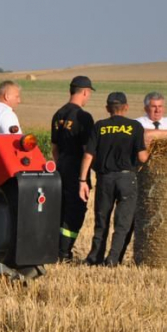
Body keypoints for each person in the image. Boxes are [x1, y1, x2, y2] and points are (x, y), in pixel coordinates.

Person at [78, 92, 148, 267]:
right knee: (122, 223)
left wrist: (82, 181)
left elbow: (88, 155)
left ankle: (95, 257)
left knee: (101, 220)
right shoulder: (135, 126)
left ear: (107, 108)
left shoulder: (100, 126)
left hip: (105, 179)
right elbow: (142, 157)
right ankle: (112, 259)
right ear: (126, 107)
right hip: (127, 179)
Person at [51, 76, 96, 261]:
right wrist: (84, 177)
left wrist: (60, 163)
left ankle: (56, 249)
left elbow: (54, 148)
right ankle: (64, 252)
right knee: (75, 211)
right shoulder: (83, 117)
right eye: (89, 94)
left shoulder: (58, 114)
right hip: (77, 168)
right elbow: (88, 150)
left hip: (61, 165)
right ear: (85, 92)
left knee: (60, 208)